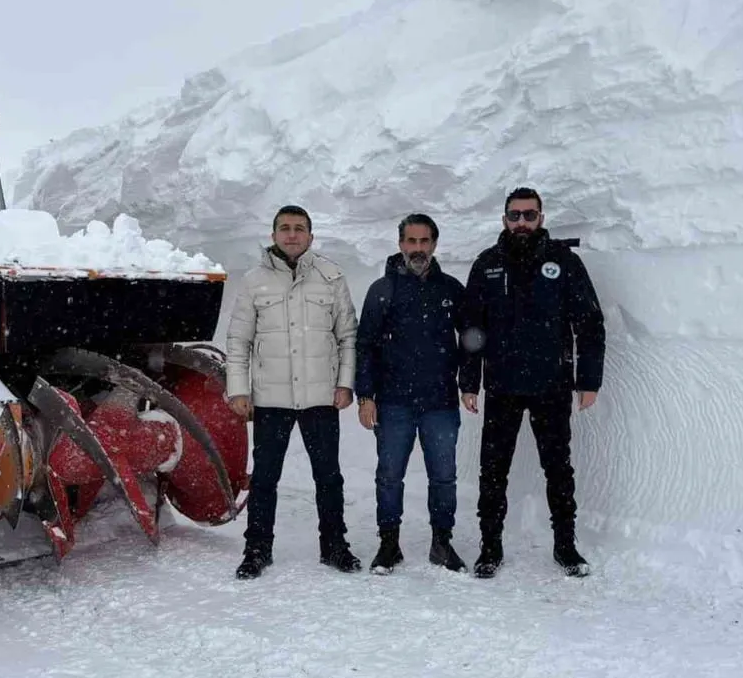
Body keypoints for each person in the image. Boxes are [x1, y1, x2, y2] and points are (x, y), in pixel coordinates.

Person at [458, 187, 606, 579]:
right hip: (502, 386)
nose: (521, 222)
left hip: (551, 385)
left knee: (558, 470)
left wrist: (588, 381)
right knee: (493, 471)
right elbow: (472, 329)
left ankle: (565, 546)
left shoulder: (563, 262)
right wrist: (469, 382)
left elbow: (589, 323)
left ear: (541, 217)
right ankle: (490, 547)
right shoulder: (487, 264)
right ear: (504, 219)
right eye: (514, 215)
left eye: (529, 215)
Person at [224, 204, 363, 579]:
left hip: (321, 397)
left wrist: (345, 383)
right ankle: (257, 549)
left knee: (328, 477)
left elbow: (348, 337)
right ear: (273, 235)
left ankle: (334, 546)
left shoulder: (331, 277)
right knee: (265, 479)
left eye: (299, 228)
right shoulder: (254, 281)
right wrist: (238, 390)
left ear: (310, 236)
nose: (292, 234)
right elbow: (238, 341)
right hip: (271, 399)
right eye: (284, 228)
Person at [354, 213, 468, 575]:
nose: (418, 248)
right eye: (411, 241)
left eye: (424, 241)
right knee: (389, 476)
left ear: (434, 244)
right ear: (400, 244)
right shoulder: (382, 290)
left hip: (440, 403)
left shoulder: (450, 289)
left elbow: (470, 338)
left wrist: (468, 384)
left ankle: (442, 543)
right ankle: (389, 544)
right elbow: (365, 345)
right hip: (393, 403)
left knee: (444, 477)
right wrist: (365, 396)